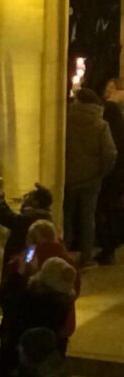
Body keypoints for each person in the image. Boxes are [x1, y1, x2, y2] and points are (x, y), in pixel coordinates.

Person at [64, 87, 117, 267]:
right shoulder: (101, 124)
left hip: (68, 176)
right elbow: (110, 153)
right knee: (88, 218)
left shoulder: (66, 120)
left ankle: (63, 251)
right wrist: (101, 172)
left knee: (66, 215)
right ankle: (86, 256)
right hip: (92, 179)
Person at [97, 77, 124, 263]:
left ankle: (108, 246)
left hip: (110, 174)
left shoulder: (107, 126)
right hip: (117, 174)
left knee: (105, 210)